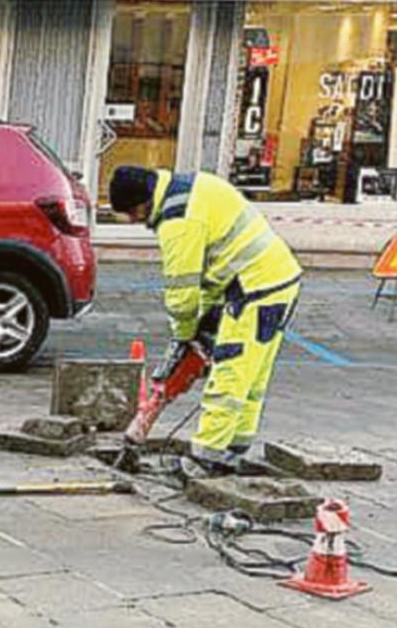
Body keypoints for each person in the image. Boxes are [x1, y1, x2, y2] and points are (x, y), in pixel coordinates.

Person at [108, 166, 303, 476]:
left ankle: (204, 459)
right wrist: (207, 319)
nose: (134, 221)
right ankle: (232, 450)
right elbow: (214, 266)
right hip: (276, 280)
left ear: (143, 202)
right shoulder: (188, 186)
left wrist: (185, 336)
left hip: (254, 289)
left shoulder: (177, 220)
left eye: (132, 213)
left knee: (230, 374)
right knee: (251, 377)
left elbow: (182, 294)